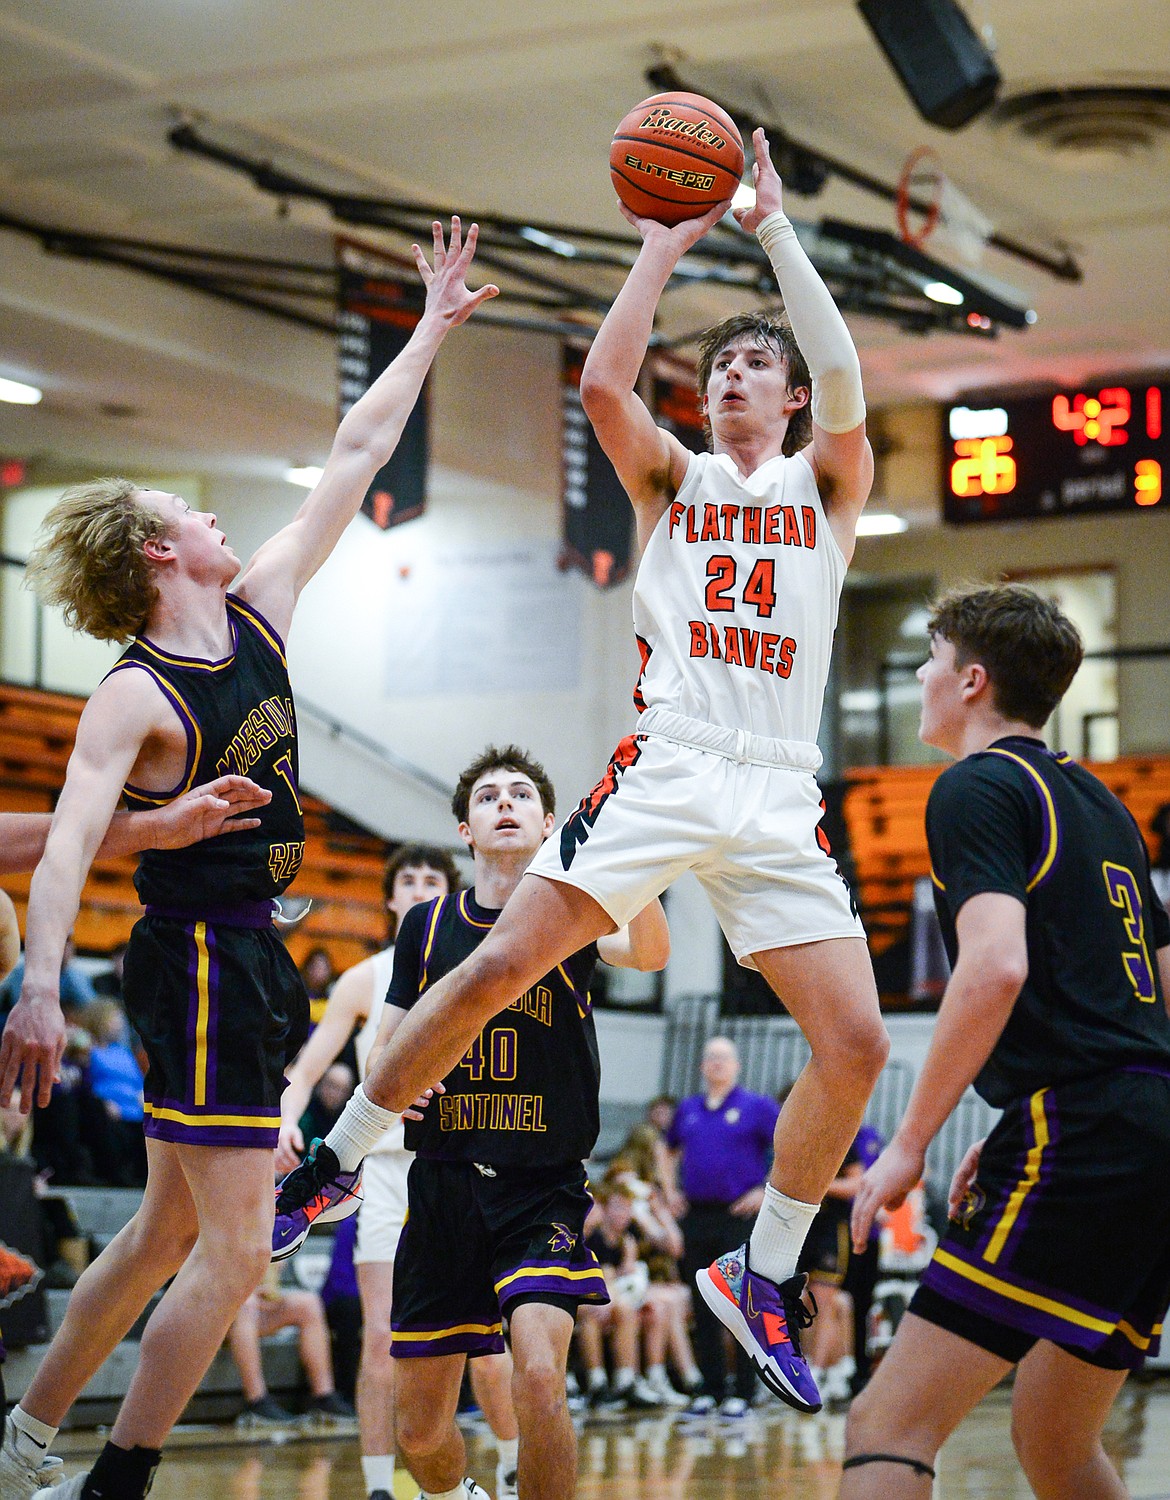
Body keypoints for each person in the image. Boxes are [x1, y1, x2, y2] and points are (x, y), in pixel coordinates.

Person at [272, 125, 885, 1422]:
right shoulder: (667, 479)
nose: (734, 378)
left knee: (854, 1042)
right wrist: (659, 247)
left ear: (784, 402)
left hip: (778, 786)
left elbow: (844, 380)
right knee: (494, 967)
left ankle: (759, 1274)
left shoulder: (825, 488)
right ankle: (338, 1157)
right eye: (719, 365)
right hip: (668, 760)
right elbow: (607, 387)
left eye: (755, 365)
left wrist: (771, 227)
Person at [0, 216, 498, 1500]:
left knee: (166, 1233)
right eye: (190, 511)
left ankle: (25, 1436)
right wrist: (42, 984)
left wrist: (429, 331)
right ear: (159, 554)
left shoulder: (259, 613)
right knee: (233, 1252)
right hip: (200, 957)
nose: (219, 514)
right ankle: (120, 1478)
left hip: (248, 955)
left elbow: (355, 452)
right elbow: (60, 849)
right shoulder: (134, 693)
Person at [274, 745, 670, 1500]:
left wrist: (622, 855)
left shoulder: (576, 911)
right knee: (420, 1432)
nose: (506, 804)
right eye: (489, 797)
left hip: (540, 1186)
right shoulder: (425, 927)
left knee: (541, 1378)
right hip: (444, 1184)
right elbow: (389, 1044)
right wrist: (399, 1084)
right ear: (466, 828)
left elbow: (651, 952)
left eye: (523, 794)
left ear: (551, 822)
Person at [844, 584, 1170, 1499]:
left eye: (932, 659)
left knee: (886, 1424)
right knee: (1056, 1440)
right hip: (1139, 1125)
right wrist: (1040, 1110)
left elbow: (993, 969)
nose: (919, 674)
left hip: (1088, 1126)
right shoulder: (1104, 807)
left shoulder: (976, 786)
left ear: (972, 680)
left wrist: (908, 1145)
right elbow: (1160, 989)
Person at [276, 843, 489, 1500]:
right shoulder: (364, 978)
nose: (422, 887)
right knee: (380, 1333)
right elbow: (305, 1071)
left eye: (435, 878)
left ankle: (486, 1472)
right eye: (410, 880)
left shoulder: (481, 962)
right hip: (389, 1170)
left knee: (472, 1335)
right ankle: (377, 1486)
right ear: (391, 898)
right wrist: (288, 1115)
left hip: (464, 1163)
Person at [661, 1037, 778, 1414]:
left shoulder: (756, 1107)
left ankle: (744, 1391)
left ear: (737, 1065)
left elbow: (791, 1146)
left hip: (738, 1216)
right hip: (696, 1215)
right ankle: (711, 1387)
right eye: (710, 1058)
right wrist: (669, 1190)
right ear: (702, 1066)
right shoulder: (689, 1109)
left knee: (741, 1301)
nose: (716, 1064)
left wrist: (766, 1190)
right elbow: (666, 1149)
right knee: (702, 1301)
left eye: (724, 1058)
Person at [228, 1267, 355, 1430]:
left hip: (253, 1307)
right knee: (246, 1305)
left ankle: (324, 1398)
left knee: (309, 1304)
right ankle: (256, 1401)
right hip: (218, 1310)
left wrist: (268, 1290)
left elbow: (271, 1277)